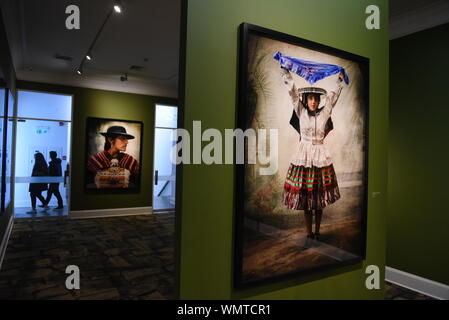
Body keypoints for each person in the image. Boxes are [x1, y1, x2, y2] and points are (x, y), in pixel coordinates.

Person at [280, 67, 345, 240]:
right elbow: (293, 94)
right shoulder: (300, 111)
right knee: (307, 198)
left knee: (318, 198)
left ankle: (317, 231)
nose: (313, 102)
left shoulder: (324, 114)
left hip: (320, 157)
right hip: (304, 157)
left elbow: (332, 99)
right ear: (306, 100)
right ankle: (308, 232)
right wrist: (286, 72)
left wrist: (340, 81)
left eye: (316, 99)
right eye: (310, 98)